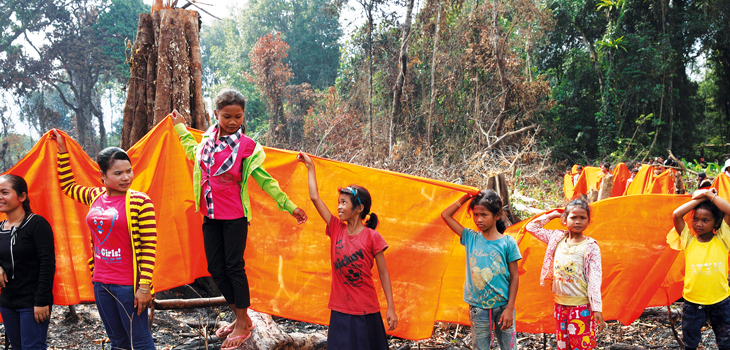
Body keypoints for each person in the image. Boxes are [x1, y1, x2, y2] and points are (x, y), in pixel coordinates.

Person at [169, 89, 307, 349]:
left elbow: (265, 181)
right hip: (210, 215)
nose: (233, 122)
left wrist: (290, 206)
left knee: (234, 267)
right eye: (227, 116)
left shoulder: (247, 147)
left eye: (238, 116)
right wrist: (179, 128)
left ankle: (243, 322)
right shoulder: (208, 140)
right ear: (216, 114)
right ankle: (241, 317)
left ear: (244, 115)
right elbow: (192, 153)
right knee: (215, 268)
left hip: (235, 217)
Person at [51, 131, 156, 349]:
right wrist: (62, 151)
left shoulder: (140, 201)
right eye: (118, 173)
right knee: (117, 342)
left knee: (140, 342)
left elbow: (149, 246)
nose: (126, 177)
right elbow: (68, 186)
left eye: (129, 171)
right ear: (103, 176)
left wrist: (144, 287)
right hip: (101, 282)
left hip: (129, 285)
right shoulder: (95, 196)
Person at [297, 152, 397, 350]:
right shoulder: (336, 228)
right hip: (340, 309)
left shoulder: (372, 237)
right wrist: (310, 168)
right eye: (339, 202)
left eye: (344, 202)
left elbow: (384, 274)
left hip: (365, 311)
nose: (339, 207)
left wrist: (391, 309)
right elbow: (314, 197)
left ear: (359, 208)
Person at [441, 190, 521, 350]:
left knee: (509, 347)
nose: (478, 219)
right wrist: (466, 197)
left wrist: (510, 307)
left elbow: (515, 276)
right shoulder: (471, 237)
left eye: (484, 214)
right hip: (478, 308)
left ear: (497, 215)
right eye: (475, 214)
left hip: (504, 307)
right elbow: (446, 215)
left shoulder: (508, 243)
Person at [525, 199, 605, 350]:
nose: (578, 222)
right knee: (563, 345)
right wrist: (553, 215)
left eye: (583, 218)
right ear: (565, 220)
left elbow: (594, 279)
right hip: (560, 305)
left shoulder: (590, 247)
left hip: (580, 306)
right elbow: (531, 227)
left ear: (588, 221)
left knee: (581, 345)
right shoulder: (556, 238)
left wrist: (597, 308)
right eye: (573, 217)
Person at [0, 175, 55, 350]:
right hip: (8, 302)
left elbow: (48, 264)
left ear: (22, 197)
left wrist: (41, 301)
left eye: (4, 192)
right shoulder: (1, 227)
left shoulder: (37, 224)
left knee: (32, 347)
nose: (0, 197)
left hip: (32, 302)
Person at [671, 188, 730, 350]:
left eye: (705, 220)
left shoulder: (723, 239)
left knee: (726, 342)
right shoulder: (688, 240)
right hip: (693, 303)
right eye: (695, 219)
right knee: (689, 343)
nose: (698, 224)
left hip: (721, 302)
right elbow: (676, 214)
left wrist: (710, 196)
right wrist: (701, 198)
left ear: (716, 223)